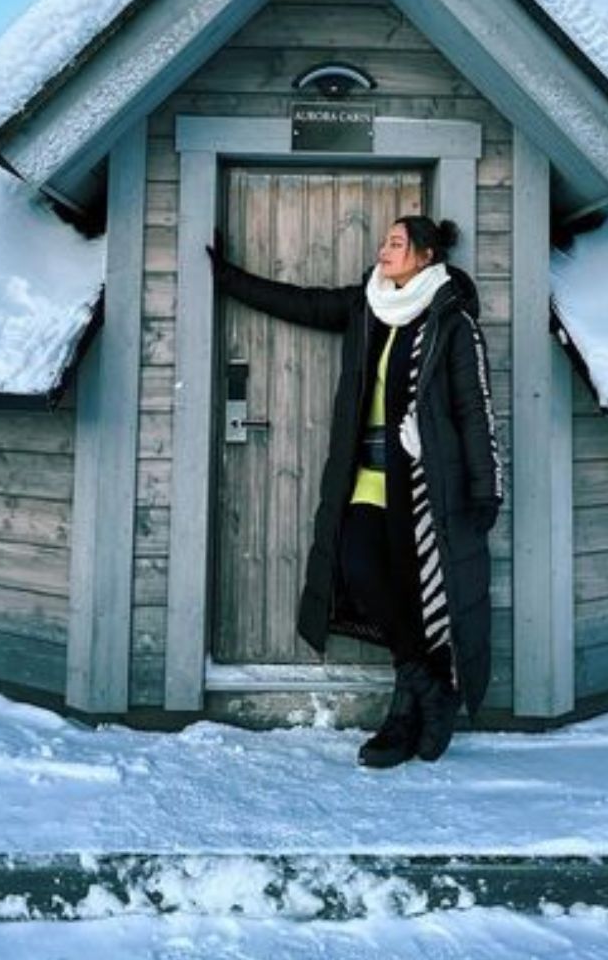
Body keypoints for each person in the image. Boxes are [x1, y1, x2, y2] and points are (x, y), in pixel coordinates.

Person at [207, 214, 503, 768]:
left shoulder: (452, 322)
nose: (383, 250)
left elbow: (474, 409)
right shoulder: (368, 305)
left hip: (420, 484)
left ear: (426, 256)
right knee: (359, 568)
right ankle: (430, 684)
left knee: (417, 598)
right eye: (384, 242)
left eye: (396, 243)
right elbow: (302, 303)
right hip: (365, 476)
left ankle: (405, 714)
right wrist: (228, 278)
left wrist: (486, 488)